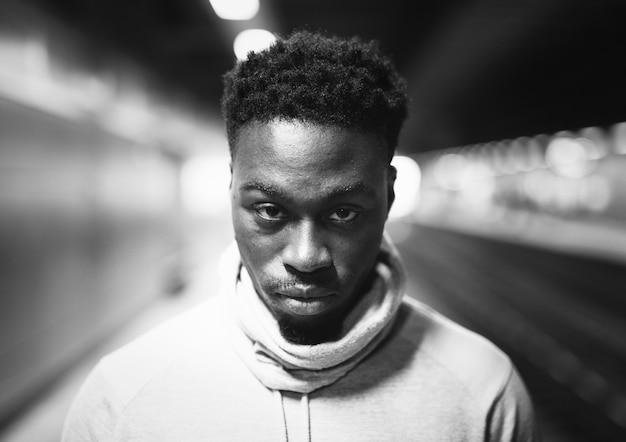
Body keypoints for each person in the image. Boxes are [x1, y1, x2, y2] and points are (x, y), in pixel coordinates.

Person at [62, 30, 539, 441]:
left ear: (390, 196)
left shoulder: (483, 391)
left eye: (344, 213)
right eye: (270, 211)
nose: (306, 258)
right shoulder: (124, 397)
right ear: (231, 189)